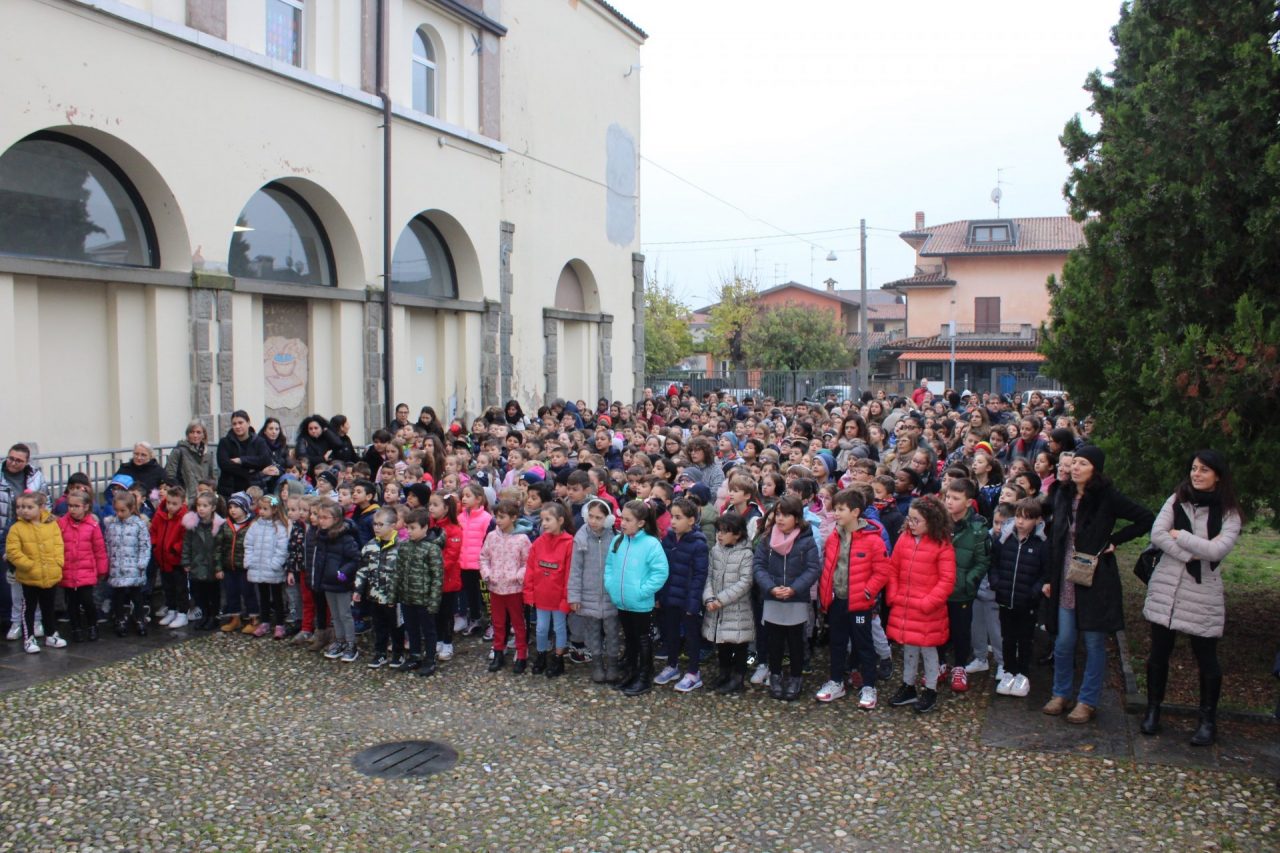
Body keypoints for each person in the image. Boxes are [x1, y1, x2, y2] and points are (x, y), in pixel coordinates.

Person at [1044, 445, 1153, 724]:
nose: (1074, 467)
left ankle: (1088, 700)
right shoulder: (1062, 494)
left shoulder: (1107, 497)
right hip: (1064, 574)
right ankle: (1061, 693)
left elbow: (1144, 518)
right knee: (1064, 639)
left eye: (1082, 463)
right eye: (1073, 462)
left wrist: (1115, 540)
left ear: (1095, 469)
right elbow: (1053, 534)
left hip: (1093, 576)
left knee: (1093, 640)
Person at [1141, 450, 1243, 745]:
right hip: (1167, 588)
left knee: (1207, 657)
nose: (1196, 475)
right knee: (1159, 653)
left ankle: (1207, 720)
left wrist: (1181, 536)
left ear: (1218, 476)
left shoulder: (1229, 512)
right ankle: (1153, 711)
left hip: (1202, 592)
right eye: (1194, 469)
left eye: (1204, 470)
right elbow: (1158, 534)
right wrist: (1191, 553)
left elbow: (1217, 551)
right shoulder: (1177, 500)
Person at [871, 496, 955, 715]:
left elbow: (947, 580)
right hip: (906, 604)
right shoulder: (905, 539)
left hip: (927, 607)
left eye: (916, 520)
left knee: (928, 650)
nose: (911, 524)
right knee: (908, 647)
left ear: (931, 521)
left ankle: (930, 689)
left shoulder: (941, 544)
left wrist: (928, 602)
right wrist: (895, 594)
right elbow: (894, 567)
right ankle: (908, 685)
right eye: (910, 519)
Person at [816, 488, 890, 708]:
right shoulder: (834, 538)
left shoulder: (872, 541)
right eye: (835, 508)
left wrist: (867, 592)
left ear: (856, 512)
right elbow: (829, 567)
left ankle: (869, 685)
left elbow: (882, 571)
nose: (836, 513)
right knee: (837, 642)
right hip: (837, 599)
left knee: (863, 643)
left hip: (859, 603)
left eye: (841, 509)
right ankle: (836, 680)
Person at [753, 495, 822, 702]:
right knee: (773, 639)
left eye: (786, 515)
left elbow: (812, 568)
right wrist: (771, 588)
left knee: (795, 641)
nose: (780, 519)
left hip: (796, 598)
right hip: (773, 596)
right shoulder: (766, 539)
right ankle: (775, 674)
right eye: (778, 515)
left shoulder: (806, 539)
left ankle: (795, 676)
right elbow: (758, 566)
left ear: (796, 517)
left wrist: (794, 588)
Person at [604, 500, 669, 697]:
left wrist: (642, 591)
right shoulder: (618, 541)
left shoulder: (651, 544)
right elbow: (609, 565)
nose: (622, 523)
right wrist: (611, 585)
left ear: (641, 523)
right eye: (622, 518)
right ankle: (631, 671)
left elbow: (660, 572)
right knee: (630, 639)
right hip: (622, 600)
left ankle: (644, 675)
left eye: (628, 520)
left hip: (640, 603)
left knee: (643, 640)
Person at [990, 498, 1050, 698]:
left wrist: (1035, 592)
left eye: (1026, 518)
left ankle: (1023, 673)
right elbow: (995, 564)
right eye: (1018, 516)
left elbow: (1044, 572)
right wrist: (996, 583)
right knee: (1008, 637)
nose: (1021, 522)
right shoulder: (1004, 539)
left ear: (1036, 520)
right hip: (1006, 597)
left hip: (1027, 601)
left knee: (1025, 639)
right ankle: (1008, 670)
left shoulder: (1041, 543)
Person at [940, 478, 991, 693]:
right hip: (939, 588)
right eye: (948, 497)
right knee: (938, 629)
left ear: (969, 502)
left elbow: (983, 561)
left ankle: (959, 666)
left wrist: (968, 581)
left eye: (956, 498)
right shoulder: (940, 522)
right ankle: (940, 664)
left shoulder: (978, 528)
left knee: (961, 631)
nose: (949, 502)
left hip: (962, 591)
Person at [655, 498, 710, 693]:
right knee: (670, 632)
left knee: (691, 636)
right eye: (672, 517)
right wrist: (659, 595)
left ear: (691, 520)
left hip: (688, 599)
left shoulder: (698, 543)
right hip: (670, 595)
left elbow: (699, 575)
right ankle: (672, 665)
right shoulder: (668, 539)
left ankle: (694, 672)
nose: (673, 522)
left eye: (678, 517)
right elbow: (661, 569)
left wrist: (693, 603)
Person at [701, 511, 755, 695]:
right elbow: (708, 575)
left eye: (725, 531)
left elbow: (745, 581)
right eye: (719, 531)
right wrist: (709, 597)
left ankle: (738, 677)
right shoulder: (715, 550)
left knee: (739, 644)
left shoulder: (746, 554)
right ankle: (724, 673)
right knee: (722, 643)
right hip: (716, 607)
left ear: (737, 534)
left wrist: (721, 599)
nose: (719, 535)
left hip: (736, 608)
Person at [567, 498, 621, 684]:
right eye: (590, 516)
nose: (593, 521)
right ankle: (597, 663)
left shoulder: (616, 538)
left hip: (610, 595)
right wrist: (574, 595)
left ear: (608, 519)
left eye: (599, 517)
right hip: (588, 594)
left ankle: (612, 663)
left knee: (612, 631)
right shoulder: (580, 538)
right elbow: (575, 569)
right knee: (592, 632)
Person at [5, 492, 65, 652]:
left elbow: (58, 544)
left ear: (41, 508)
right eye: (21, 507)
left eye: (29, 507)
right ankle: (29, 637)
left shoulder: (51, 525)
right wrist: (28, 565)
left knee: (48, 607)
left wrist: (58, 562)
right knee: (29, 608)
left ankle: (51, 634)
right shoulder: (16, 528)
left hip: (49, 573)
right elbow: (12, 551)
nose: (24, 510)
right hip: (29, 576)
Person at [478, 499, 531, 673]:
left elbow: (527, 561)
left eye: (502, 517)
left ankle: (521, 653)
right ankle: (499, 651)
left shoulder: (522, 539)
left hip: (514, 588)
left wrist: (519, 576)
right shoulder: (492, 536)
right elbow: (484, 557)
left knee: (518, 622)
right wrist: (486, 573)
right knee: (498, 622)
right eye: (497, 517)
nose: (498, 520)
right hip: (495, 587)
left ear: (514, 518)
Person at [524, 502, 574, 678]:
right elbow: (530, 568)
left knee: (559, 628)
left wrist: (566, 598)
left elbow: (569, 574)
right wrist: (529, 592)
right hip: (541, 595)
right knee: (541, 628)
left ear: (560, 520)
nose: (544, 523)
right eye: (542, 520)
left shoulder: (569, 544)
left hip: (558, 596)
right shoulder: (538, 542)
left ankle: (558, 657)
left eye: (548, 519)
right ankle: (541, 655)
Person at [395, 508, 444, 675]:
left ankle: (430, 658)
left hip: (424, 599)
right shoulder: (404, 547)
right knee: (411, 627)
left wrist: (434, 601)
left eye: (413, 528)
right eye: (407, 528)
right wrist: (397, 594)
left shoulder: (432, 549)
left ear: (424, 528)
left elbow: (437, 576)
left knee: (429, 630)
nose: (409, 531)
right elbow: (399, 572)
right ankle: (415, 655)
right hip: (407, 597)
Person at [312, 502, 361, 663]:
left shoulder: (345, 538)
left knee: (345, 614)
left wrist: (343, 573)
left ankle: (350, 643)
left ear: (336, 519)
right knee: (335, 615)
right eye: (320, 517)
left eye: (325, 518)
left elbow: (355, 558)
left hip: (341, 582)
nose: (322, 521)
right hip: (327, 582)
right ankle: (339, 641)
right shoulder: (321, 535)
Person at [353, 507, 403, 668]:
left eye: (381, 524)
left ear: (393, 525)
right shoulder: (369, 546)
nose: (377, 528)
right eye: (375, 524)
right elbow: (362, 569)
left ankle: (398, 653)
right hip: (374, 595)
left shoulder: (401, 547)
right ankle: (380, 653)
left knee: (396, 626)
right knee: (379, 626)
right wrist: (358, 589)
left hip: (394, 597)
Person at [57, 490, 107, 642]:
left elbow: (99, 549)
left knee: (87, 601)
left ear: (86, 507)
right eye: (70, 506)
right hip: (68, 570)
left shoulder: (92, 525)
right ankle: (76, 628)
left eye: (76, 506)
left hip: (86, 570)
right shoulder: (61, 524)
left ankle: (92, 625)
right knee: (71, 603)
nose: (72, 509)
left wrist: (102, 569)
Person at [104, 490, 152, 638]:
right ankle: (119, 619)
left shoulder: (139, 525)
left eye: (123, 510)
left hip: (134, 567)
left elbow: (145, 545)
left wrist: (142, 563)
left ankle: (139, 619)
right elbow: (108, 544)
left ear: (131, 509)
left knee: (136, 596)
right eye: (117, 510)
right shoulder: (112, 524)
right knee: (118, 596)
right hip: (118, 567)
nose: (119, 514)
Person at [244, 495, 290, 639]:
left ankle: (280, 624)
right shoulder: (255, 525)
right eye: (260, 509)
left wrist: (275, 564)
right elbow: (248, 544)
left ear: (274, 509)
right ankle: (264, 622)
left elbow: (282, 548)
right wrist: (249, 561)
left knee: (277, 597)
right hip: (258, 567)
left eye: (265, 509)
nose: (261, 512)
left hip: (272, 569)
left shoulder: (280, 527)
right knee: (262, 596)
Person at [426, 493, 463, 663]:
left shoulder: (454, 529)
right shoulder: (430, 527)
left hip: (448, 580)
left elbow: (451, 556)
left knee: (446, 613)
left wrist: (432, 568)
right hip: (432, 580)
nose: (431, 508)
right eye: (430, 504)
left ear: (446, 508)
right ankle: (438, 640)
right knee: (434, 613)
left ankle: (447, 642)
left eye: (435, 505)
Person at [216, 492, 259, 634]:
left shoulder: (252, 525)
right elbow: (219, 547)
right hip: (229, 565)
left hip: (245, 566)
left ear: (245, 508)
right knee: (231, 593)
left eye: (237, 507)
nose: (232, 510)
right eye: (230, 507)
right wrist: (218, 566)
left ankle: (254, 618)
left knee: (249, 593)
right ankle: (235, 618)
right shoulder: (226, 525)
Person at [150, 485, 191, 629]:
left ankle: (182, 613)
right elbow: (153, 530)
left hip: (176, 560)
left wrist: (175, 549)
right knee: (167, 588)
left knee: (180, 588)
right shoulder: (160, 514)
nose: (170, 507)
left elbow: (186, 538)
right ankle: (172, 609)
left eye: (174, 504)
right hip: (162, 558)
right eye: (168, 503)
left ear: (182, 503)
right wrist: (155, 545)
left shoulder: (185, 517)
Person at [182, 492, 224, 631]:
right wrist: (186, 561)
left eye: (205, 506)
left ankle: (214, 615)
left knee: (213, 592)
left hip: (212, 565)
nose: (201, 509)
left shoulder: (218, 525)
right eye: (199, 505)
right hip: (197, 564)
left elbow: (221, 546)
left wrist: (219, 567)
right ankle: (204, 615)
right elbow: (187, 544)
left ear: (212, 508)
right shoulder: (193, 524)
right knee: (200, 592)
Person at [216, 411, 275, 497]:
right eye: (234, 424)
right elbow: (224, 464)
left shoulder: (259, 442)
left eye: (240, 423)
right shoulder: (224, 442)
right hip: (230, 490)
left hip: (254, 490)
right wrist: (250, 471)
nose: (237, 426)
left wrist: (242, 460)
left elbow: (265, 460)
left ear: (248, 423)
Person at [165, 421, 214, 499]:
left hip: (204, 498)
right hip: (185, 497)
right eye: (192, 432)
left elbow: (211, 476)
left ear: (203, 435)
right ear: (187, 434)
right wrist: (180, 492)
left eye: (198, 432)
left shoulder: (207, 453)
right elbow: (170, 474)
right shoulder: (178, 451)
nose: (195, 435)